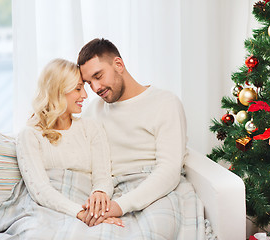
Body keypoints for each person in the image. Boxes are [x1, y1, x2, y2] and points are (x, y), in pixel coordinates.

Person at [78, 38, 188, 228]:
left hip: (154, 187)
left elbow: (169, 170)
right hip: (110, 189)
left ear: (118, 64)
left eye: (98, 76)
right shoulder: (94, 110)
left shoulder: (165, 103)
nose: (95, 88)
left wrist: (118, 207)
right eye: (89, 83)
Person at [16, 58, 123, 226]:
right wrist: (80, 214)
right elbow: (40, 191)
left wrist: (99, 198)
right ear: (57, 90)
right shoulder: (29, 135)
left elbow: (103, 176)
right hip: (50, 209)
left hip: (88, 207)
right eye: (78, 88)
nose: (85, 95)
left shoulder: (91, 127)